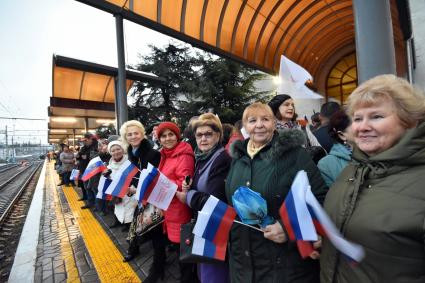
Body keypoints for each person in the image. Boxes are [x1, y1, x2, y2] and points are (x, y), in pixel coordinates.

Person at [320, 75, 425, 283]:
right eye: (358, 119)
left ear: (410, 122)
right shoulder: (353, 169)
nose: (362, 127)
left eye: (376, 116)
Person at [225, 102, 328, 282]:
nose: (259, 125)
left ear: (274, 123)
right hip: (243, 265)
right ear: (245, 127)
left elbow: (319, 198)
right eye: (252, 120)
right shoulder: (238, 158)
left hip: (284, 266)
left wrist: (289, 229)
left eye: (265, 119)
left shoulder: (294, 155)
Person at [177, 113, 232, 283]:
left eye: (208, 134)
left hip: (215, 227)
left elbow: (214, 200)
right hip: (204, 225)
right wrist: (191, 185)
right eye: (199, 135)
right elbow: (204, 185)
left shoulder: (222, 158)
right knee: (204, 273)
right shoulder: (202, 157)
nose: (203, 139)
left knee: (213, 276)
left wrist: (187, 195)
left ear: (218, 135)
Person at [120, 120, 165, 283]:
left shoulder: (153, 153)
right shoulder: (131, 153)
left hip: (152, 199)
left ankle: (158, 267)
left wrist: (134, 189)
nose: (133, 136)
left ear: (142, 134)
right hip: (140, 198)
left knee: (156, 232)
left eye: (136, 133)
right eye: (129, 134)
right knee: (138, 225)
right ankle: (134, 249)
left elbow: (155, 179)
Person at [156, 121, 196, 283]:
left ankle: (188, 279)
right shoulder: (166, 154)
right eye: (163, 136)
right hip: (169, 207)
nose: (167, 139)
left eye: (171, 134)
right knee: (180, 249)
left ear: (177, 136)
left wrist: (159, 185)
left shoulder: (183, 154)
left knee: (184, 250)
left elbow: (183, 184)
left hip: (179, 209)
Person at [105, 140, 136, 230]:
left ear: (122, 150)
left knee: (129, 210)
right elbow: (110, 178)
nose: (116, 152)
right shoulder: (110, 164)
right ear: (110, 152)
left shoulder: (130, 162)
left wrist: (131, 189)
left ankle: (129, 227)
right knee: (118, 207)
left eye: (118, 149)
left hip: (129, 191)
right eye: (113, 150)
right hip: (117, 191)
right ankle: (119, 222)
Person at [317, 110, 352, 186]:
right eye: (357, 121)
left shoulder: (379, 153)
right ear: (342, 135)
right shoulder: (326, 165)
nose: (365, 127)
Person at [76, 133, 98, 201]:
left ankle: (97, 205)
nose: (84, 142)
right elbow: (78, 156)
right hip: (83, 169)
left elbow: (93, 158)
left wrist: (85, 156)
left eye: (85, 140)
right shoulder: (84, 147)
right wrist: (81, 156)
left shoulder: (96, 146)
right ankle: (90, 202)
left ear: (90, 139)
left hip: (92, 171)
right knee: (86, 187)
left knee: (94, 189)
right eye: (83, 141)